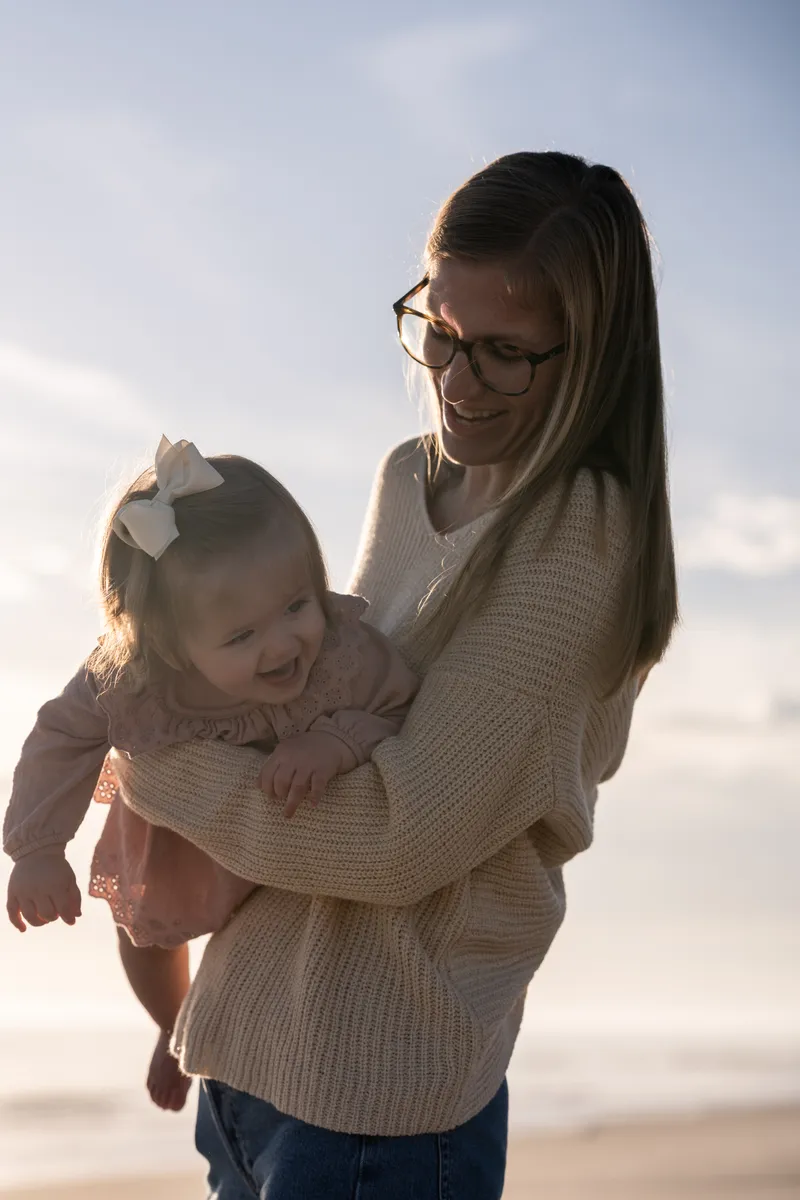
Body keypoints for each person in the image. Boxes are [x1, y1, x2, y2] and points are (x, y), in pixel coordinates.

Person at [94, 150, 678, 1198]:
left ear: (589, 355)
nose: (454, 380)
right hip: (245, 1060)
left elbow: (395, 838)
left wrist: (152, 761)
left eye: (504, 353)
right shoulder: (406, 479)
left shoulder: (580, 539)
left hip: (375, 1109)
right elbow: (304, 719)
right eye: (439, 330)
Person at [3, 436, 418, 1112]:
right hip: (172, 847)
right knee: (143, 938)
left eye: (296, 605)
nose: (282, 644)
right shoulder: (130, 677)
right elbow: (60, 738)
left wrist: (336, 741)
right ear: (169, 644)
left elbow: (400, 707)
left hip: (286, 845)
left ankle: (211, 1019)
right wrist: (38, 849)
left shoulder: (344, 654)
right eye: (241, 636)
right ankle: (173, 1027)